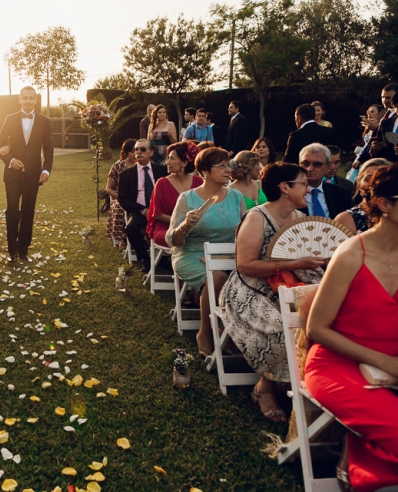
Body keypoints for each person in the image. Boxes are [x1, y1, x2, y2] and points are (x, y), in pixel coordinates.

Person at [305, 163, 398, 492]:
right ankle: (362, 469)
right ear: (384, 205)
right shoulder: (351, 253)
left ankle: (359, 457)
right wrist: (384, 361)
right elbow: (316, 328)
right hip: (337, 363)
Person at [221, 163, 325, 422]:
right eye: (303, 183)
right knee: (282, 326)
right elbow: (244, 265)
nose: (309, 189)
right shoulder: (257, 217)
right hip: (250, 287)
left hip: (292, 283)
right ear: (285, 188)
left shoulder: (300, 218)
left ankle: (305, 381)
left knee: (322, 320)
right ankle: (264, 388)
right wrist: (296, 264)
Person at [166, 147, 246, 355]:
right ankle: (207, 331)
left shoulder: (236, 197)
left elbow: (244, 232)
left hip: (229, 256)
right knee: (217, 276)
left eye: (229, 165)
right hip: (192, 254)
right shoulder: (187, 198)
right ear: (205, 172)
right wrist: (185, 225)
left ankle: (229, 332)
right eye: (222, 166)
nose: (228, 170)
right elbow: (173, 240)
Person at [0, 86, 54, 263]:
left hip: (34, 175)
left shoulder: (44, 121)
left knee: (28, 211)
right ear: (19, 99)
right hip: (12, 174)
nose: (28, 101)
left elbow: (48, 148)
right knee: (12, 210)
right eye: (25, 98)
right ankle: (12, 251)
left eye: (31, 98)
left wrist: (46, 169)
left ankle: (23, 250)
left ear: (35, 100)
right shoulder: (10, 119)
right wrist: (11, 160)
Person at [117, 140, 167, 269]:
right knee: (131, 228)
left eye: (143, 149)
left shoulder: (162, 171)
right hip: (139, 211)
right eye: (136, 149)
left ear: (151, 152)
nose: (138, 152)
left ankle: (167, 258)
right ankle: (144, 258)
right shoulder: (126, 175)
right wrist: (143, 210)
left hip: (161, 211)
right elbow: (123, 199)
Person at [147, 141, 203, 247]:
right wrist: (184, 223)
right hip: (166, 227)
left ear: (184, 163)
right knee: (185, 239)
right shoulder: (162, 183)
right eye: (168, 158)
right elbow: (158, 215)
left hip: (196, 228)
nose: (167, 162)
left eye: (172, 158)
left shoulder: (199, 182)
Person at [334, 158, 391, 235]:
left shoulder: (394, 215)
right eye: (369, 179)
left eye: (381, 179)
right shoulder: (347, 219)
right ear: (359, 183)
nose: (374, 184)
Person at [299, 144, 351, 218]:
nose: (309, 169)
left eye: (317, 164)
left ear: (328, 167)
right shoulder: (289, 194)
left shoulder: (342, 194)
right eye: (305, 164)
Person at [104, 139, 137, 250]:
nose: (135, 154)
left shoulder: (142, 166)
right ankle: (123, 238)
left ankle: (142, 237)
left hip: (139, 198)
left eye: (137, 151)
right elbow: (108, 189)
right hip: (121, 198)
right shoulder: (118, 166)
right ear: (126, 152)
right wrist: (120, 196)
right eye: (132, 151)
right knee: (120, 208)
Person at [352, 104, 384, 169]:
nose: (369, 114)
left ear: (379, 113)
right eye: (368, 112)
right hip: (363, 153)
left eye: (372, 112)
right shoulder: (368, 128)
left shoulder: (381, 127)